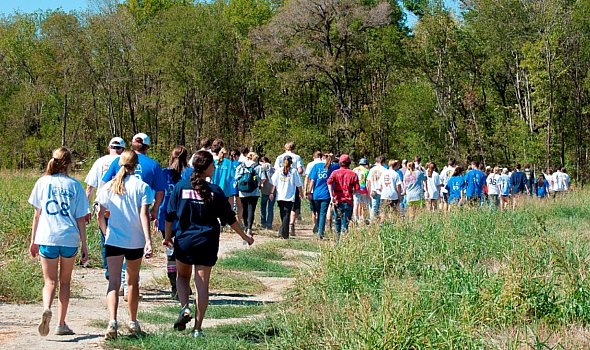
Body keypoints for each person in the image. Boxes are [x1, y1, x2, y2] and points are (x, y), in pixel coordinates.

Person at [164, 151, 254, 338]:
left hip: (185, 240)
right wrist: (244, 236)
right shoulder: (215, 191)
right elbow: (230, 218)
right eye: (212, 165)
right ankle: (197, 329)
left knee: (182, 277)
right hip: (207, 241)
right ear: (205, 168)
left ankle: (184, 307)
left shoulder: (181, 187)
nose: (214, 168)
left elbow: (169, 215)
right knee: (202, 285)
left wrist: (167, 237)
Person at [29, 147, 89, 337]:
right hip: (69, 237)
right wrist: (85, 246)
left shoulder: (42, 182)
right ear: (70, 163)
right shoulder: (75, 185)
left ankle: (47, 307)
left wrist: (33, 241)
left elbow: (37, 215)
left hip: (47, 236)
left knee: (49, 281)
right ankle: (61, 323)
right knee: (65, 282)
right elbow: (81, 218)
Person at [97, 150, 154, 339]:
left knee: (113, 283)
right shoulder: (142, 186)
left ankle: (112, 322)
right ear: (136, 166)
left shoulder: (108, 187)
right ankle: (132, 321)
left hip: (114, 240)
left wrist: (106, 233)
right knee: (132, 282)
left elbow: (100, 213)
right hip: (135, 241)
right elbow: (143, 215)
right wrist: (148, 241)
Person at [102, 133, 166, 298]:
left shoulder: (119, 161)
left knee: (120, 246)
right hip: (139, 212)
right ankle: (129, 285)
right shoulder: (153, 165)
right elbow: (160, 191)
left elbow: (104, 183)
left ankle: (122, 284)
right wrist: (155, 209)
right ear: (147, 147)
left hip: (118, 212)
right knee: (132, 251)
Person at [84, 137, 125, 280]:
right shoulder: (126, 161)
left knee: (106, 239)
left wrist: (85, 209)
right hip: (123, 207)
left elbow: (90, 187)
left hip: (103, 206)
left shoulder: (100, 162)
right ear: (123, 149)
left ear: (109, 148)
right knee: (126, 240)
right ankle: (125, 276)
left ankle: (111, 275)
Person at [157, 146, 189, 299]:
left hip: (165, 218)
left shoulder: (163, 174)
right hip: (185, 218)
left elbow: (156, 195)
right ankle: (184, 283)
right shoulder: (188, 174)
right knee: (184, 252)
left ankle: (174, 287)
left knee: (170, 253)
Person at [269, 156, 304, 239]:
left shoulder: (278, 171)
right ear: (291, 163)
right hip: (289, 196)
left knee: (283, 214)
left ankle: (283, 232)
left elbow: (274, 183)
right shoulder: (293, 171)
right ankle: (285, 234)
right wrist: (301, 193)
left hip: (280, 196)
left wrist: (271, 193)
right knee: (286, 215)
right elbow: (298, 184)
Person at [327, 154, 359, 241]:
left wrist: (331, 195)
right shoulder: (353, 174)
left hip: (337, 200)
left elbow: (329, 182)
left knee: (337, 221)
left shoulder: (335, 173)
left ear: (340, 163)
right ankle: (344, 242)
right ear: (349, 163)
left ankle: (337, 241)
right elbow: (357, 189)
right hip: (348, 201)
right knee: (346, 223)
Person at [308, 153, 339, 239]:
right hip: (327, 194)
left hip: (316, 194)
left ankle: (318, 229)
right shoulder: (333, 167)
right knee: (322, 213)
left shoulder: (316, 166)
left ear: (322, 158)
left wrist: (309, 191)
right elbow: (340, 164)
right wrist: (333, 158)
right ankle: (320, 232)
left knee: (318, 213)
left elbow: (312, 180)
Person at [235, 152, 266, 235]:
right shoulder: (258, 167)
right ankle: (249, 228)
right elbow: (263, 178)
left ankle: (245, 226)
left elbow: (236, 177)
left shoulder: (241, 166)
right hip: (254, 192)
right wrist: (258, 184)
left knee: (244, 209)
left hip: (242, 192)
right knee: (251, 209)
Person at [304, 151, 323, 232]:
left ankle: (314, 225)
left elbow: (307, 178)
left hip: (311, 190)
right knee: (321, 210)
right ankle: (319, 225)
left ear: (313, 156)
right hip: (322, 189)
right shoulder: (324, 163)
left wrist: (305, 189)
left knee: (313, 210)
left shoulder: (310, 164)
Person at [366, 156, 386, 222]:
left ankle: (373, 222)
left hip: (373, 191)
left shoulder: (372, 169)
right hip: (382, 191)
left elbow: (368, 181)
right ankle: (381, 223)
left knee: (373, 208)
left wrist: (368, 192)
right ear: (383, 162)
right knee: (382, 208)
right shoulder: (384, 170)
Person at [259, 157, 275, 230]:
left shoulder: (263, 167)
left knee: (263, 206)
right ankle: (269, 224)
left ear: (263, 161)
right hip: (272, 190)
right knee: (270, 208)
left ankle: (263, 223)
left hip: (265, 190)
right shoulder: (273, 168)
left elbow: (262, 178)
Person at [352, 158, 370, 224]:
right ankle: (362, 218)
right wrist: (368, 192)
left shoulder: (354, 169)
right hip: (363, 189)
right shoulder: (367, 171)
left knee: (356, 204)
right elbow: (368, 182)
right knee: (364, 204)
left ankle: (355, 218)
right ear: (365, 164)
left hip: (355, 189)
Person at [229, 149, 243, 225]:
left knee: (230, 205)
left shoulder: (229, 164)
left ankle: (230, 221)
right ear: (237, 156)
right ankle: (240, 221)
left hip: (230, 185)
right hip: (238, 185)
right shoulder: (240, 164)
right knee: (239, 205)